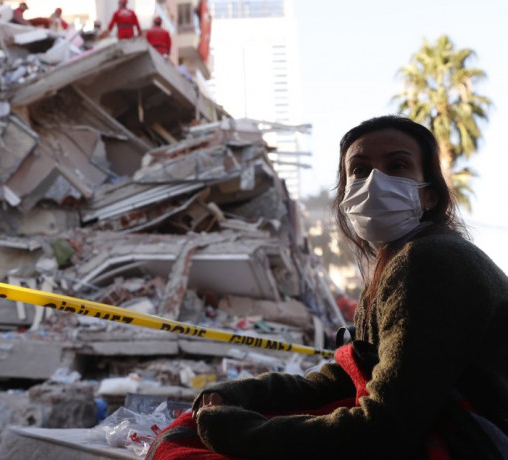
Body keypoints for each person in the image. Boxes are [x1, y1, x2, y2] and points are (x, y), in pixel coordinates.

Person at [153, 116, 508, 459]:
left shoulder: (429, 261)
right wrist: (240, 394)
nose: (375, 182)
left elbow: (386, 428)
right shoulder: (401, 259)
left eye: (397, 166)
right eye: (360, 170)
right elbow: (344, 376)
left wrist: (239, 432)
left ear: (429, 195)